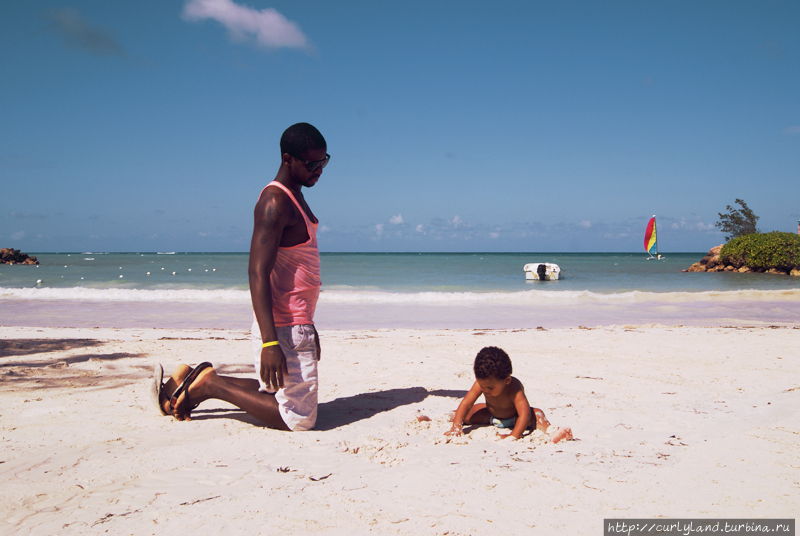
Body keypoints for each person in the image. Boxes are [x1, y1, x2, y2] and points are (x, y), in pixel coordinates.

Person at [151, 122, 329, 431]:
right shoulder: (275, 202)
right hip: (283, 326)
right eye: (312, 163)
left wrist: (308, 327)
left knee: (272, 394)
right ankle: (209, 386)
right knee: (299, 419)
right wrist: (269, 342)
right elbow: (257, 271)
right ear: (288, 160)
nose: (320, 169)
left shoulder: (295, 196)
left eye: (324, 161)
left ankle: (200, 381)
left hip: (295, 323)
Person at [445, 346, 573, 442]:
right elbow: (467, 402)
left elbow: (524, 414)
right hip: (490, 415)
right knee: (465, 412)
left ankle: (552, 433)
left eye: (490, 387)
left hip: (515, 419)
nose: (485, 390)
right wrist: (457, 426)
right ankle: (448, 416)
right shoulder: (481, 384)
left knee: (537, 414)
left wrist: (514, 435)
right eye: (482, 387)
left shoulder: (515, 388)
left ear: (506, 380)